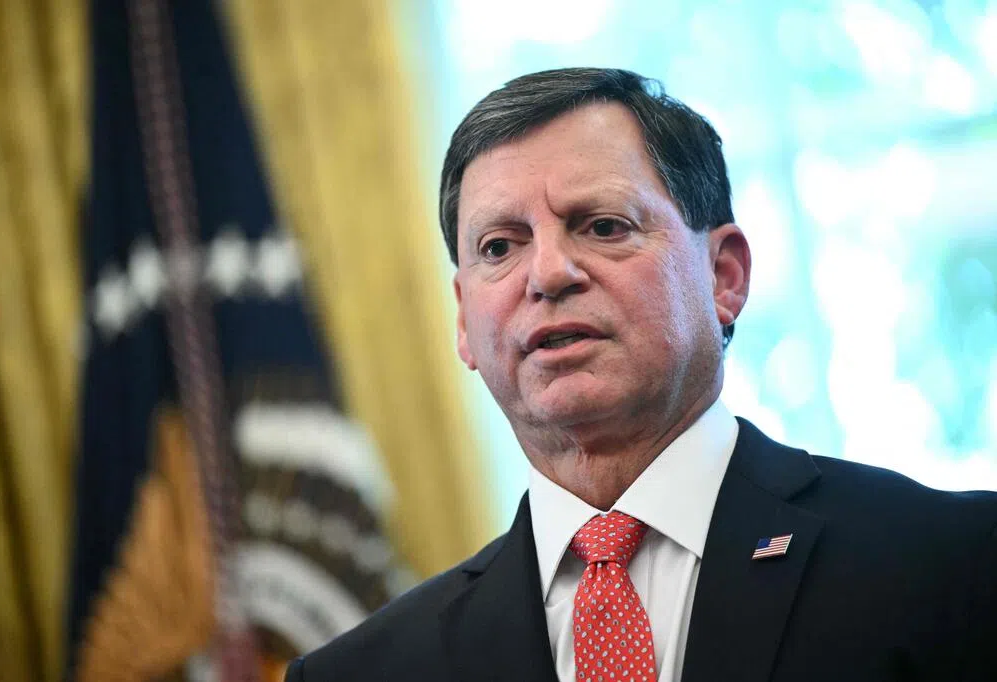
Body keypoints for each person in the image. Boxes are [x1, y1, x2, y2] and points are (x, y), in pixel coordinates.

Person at [285, 68, 997, 682]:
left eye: (602, 226)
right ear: (464, 322)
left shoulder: (953, 563)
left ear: (723, 276)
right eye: (499, 246)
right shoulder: (359, 673)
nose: (548, 274)